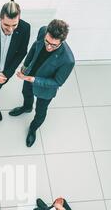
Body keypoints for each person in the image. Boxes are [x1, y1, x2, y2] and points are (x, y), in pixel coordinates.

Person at [9, 19, 75, 147]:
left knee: (40, 112)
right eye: (47, 42)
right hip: (30, 74)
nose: (49, 47)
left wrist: (32, 79)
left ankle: (33, 129)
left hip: (45, 89)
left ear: (62, 41)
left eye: (54, 45)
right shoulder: (43, 31)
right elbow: (34, 48)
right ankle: (26, 107)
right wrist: (26, 65)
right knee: (26, 93)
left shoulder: (68, 60)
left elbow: (57, 82)